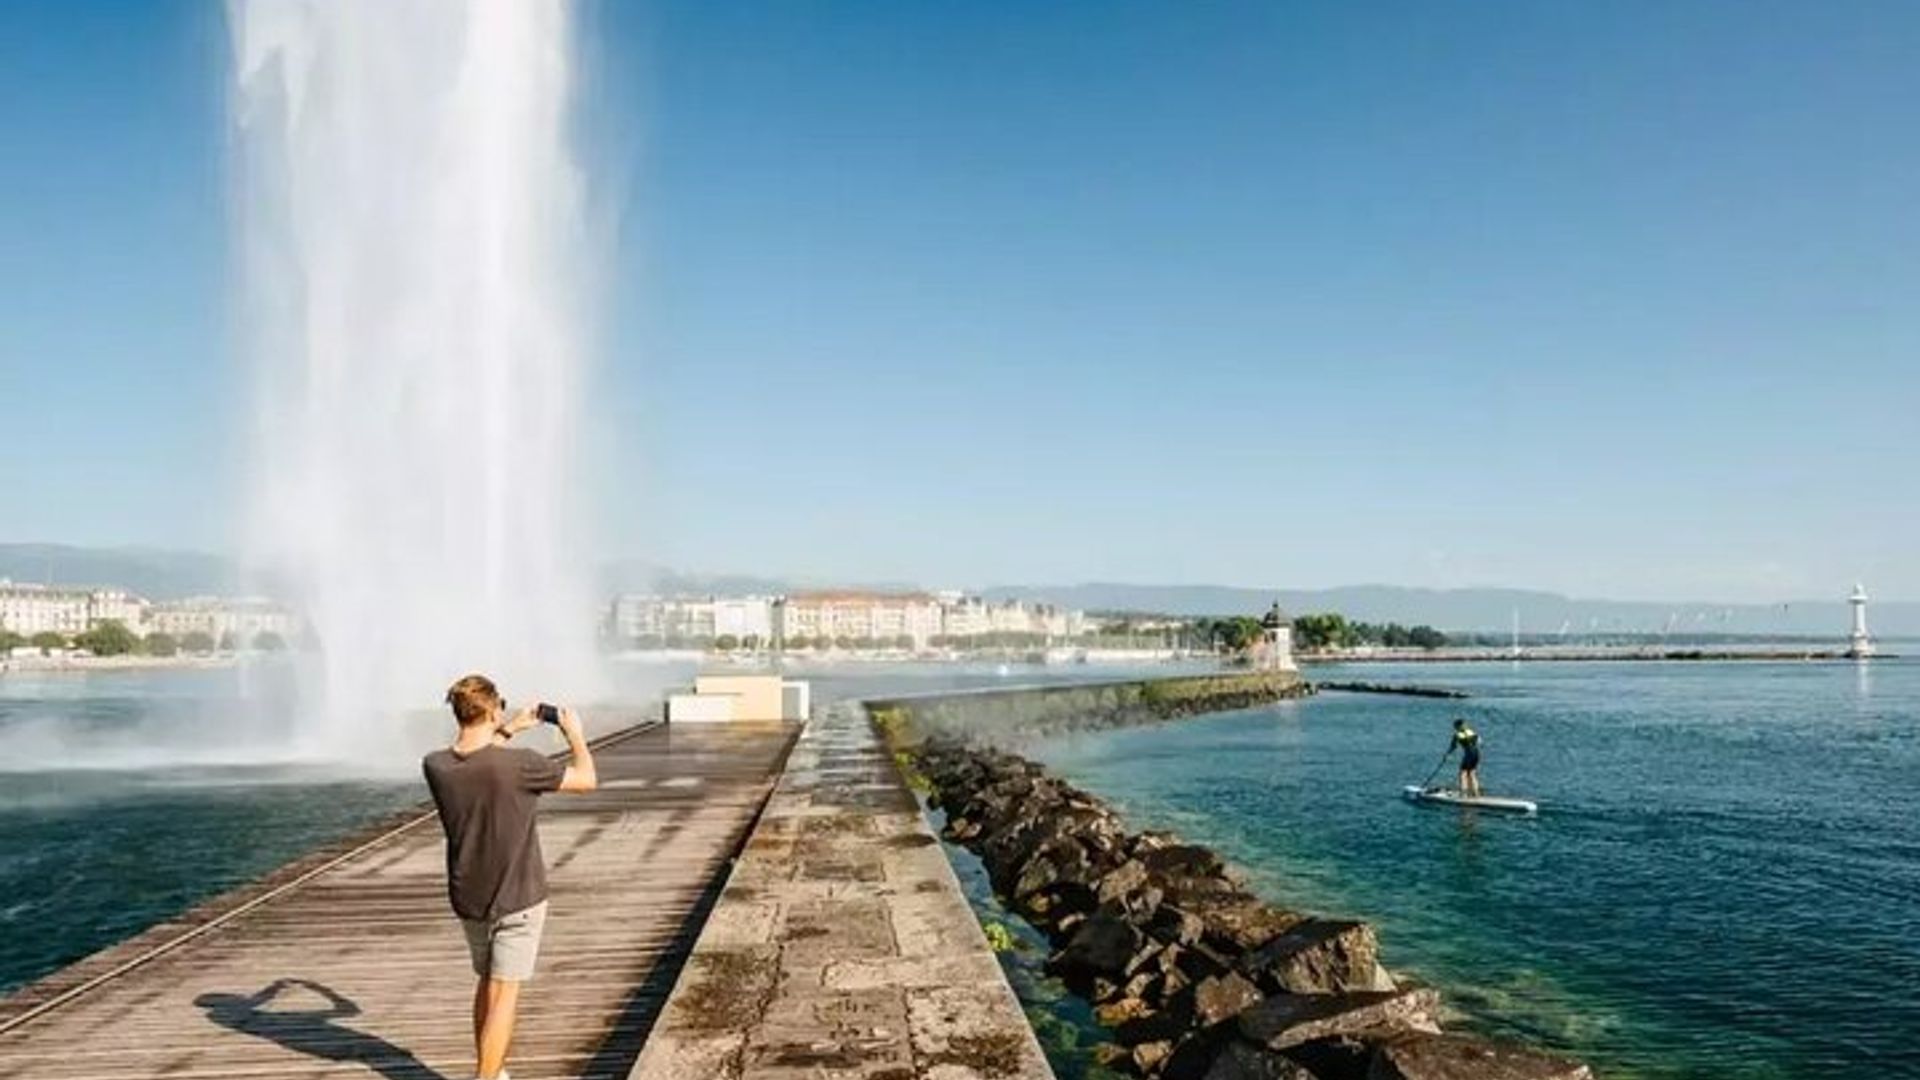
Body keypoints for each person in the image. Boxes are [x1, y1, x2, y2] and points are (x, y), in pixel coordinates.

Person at [423, 674, 598, 1080]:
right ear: (493, 708)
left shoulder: (437, 766)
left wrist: (509, 727)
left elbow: (478, 761)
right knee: (504, 993)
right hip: (518, 895)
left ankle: (493, 1070)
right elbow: (587, 779)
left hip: (469, 896)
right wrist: (576, 735)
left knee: (487, 983)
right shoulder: (521, 765)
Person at [1447, 717, 1482, 796]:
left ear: (1458, 726)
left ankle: (1463, 794)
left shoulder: (1457, 735)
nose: (1454, 728)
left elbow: (1453, 747)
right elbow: (1479, 741)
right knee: (1472, 773)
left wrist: (1447, 754)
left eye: (1455, 726)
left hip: (1469, 755)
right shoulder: (1472, 732)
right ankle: (1476, 794)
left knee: (1463, 774)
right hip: (1477, 754)